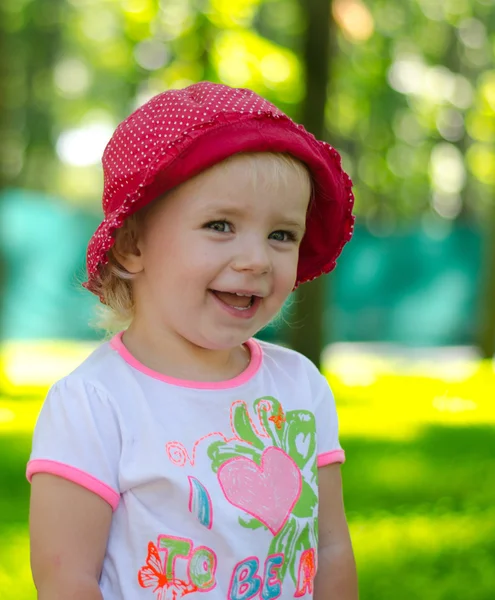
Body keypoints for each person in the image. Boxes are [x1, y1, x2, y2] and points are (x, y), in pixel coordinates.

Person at [27, 81, 358, 600]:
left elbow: (331, 548)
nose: (256, 259)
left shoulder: (300, 387)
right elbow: (66, 579)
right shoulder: (94, 403)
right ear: (133, 246)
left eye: (282, 235)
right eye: (220, 225)